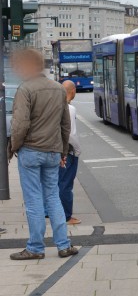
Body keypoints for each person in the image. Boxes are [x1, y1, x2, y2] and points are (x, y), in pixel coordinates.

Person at [8, 47, 78, 261]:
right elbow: (65, 125)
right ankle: (63, 245)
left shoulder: (25, 89)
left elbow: (20, 125)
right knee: (53, 196)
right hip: (52, 152)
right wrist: (63, 151)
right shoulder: (58, 89)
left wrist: (12, 147)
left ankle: (35, 247)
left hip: (30, 150)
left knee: (33, 200)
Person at [58, 80, 82, 225]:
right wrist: (77, 150)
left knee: (56, 182)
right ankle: (67, 216)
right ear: (72, 91)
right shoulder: (70, 109)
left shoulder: (55, 106)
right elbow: (70, 134)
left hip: (55, 149)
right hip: (68, 151)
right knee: (66, 184)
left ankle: (52, 212)